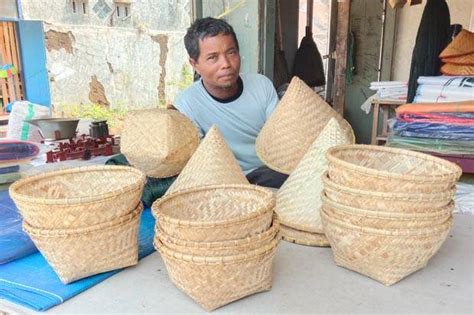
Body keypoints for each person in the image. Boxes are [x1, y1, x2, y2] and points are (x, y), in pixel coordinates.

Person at [173, 17, 288, 188]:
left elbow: (281, 138)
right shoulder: (187, 103)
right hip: (223, 182)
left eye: (231, 52)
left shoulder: (261, 85)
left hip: (269, 172)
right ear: (194, 63)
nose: (226, 64)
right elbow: (200, 163)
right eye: (213, 58)